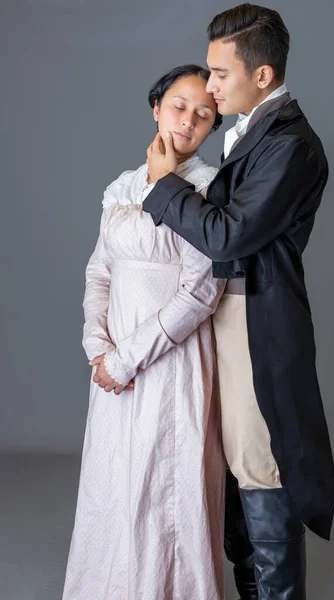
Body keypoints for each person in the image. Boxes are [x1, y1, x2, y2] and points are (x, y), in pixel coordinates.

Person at [143, 5, 334, 600]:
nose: (208, 85)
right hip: (224, 317)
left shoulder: (294, 145)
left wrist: (164, 186)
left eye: (219, 74)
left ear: (262, 75)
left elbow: (231, 235)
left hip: (256, 320)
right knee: (229, 469)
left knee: (261, 467)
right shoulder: (254, 131)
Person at [62, 65, 227, 600]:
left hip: (169, 360)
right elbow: (99, 271)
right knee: (114, 484)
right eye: (179, 106)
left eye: (204, 114)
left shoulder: (208, 190)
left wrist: (127, 359)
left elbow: (202, 293)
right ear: (156, 107)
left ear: (212, 128)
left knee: (164, 487)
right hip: (111, 364)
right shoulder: (121, 187)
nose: (189, 121)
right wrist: (97, 347)